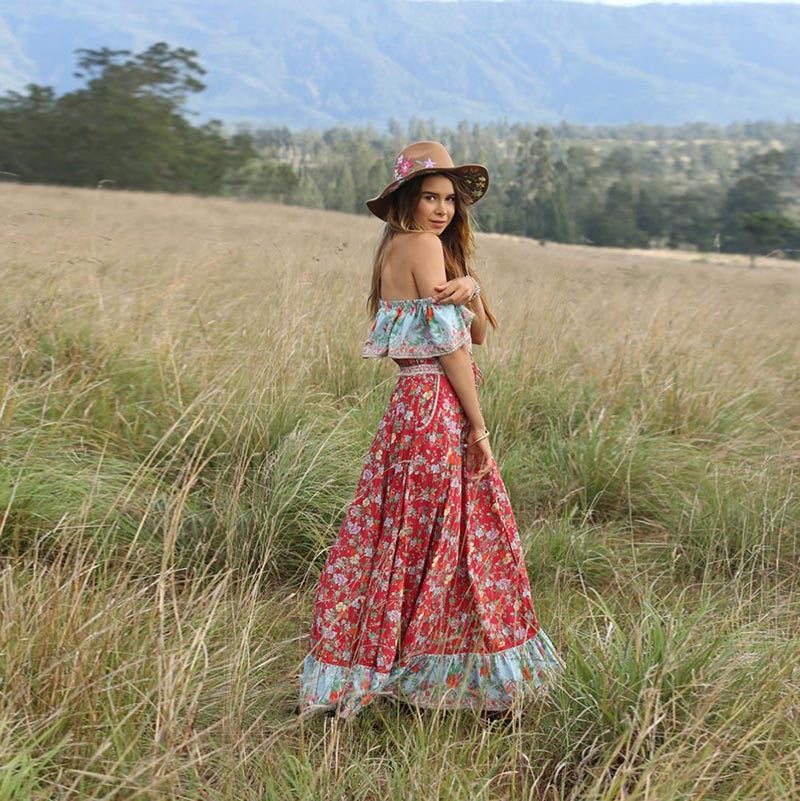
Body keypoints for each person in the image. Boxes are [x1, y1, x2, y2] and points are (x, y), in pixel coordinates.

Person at [297, 141, 563, 721]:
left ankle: (394, 666)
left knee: (405, 535)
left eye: (449, 199)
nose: (442, 210)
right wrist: (479, 427)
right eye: (429, 198)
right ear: (407, 201)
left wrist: (472, 288)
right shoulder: (422, 245)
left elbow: (477, 332)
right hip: (436, 406)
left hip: (407, 409)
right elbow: (453, 348)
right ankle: (451, 674)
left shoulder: (398, 248)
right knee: (459, 535)